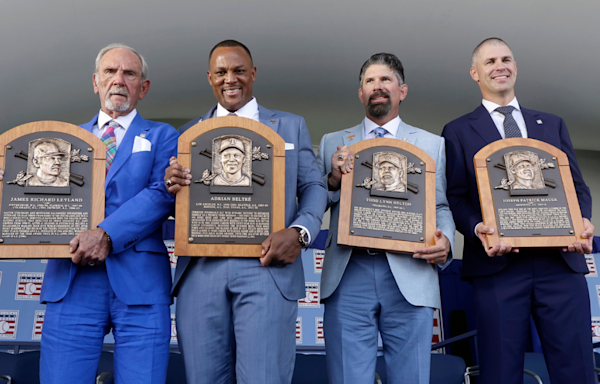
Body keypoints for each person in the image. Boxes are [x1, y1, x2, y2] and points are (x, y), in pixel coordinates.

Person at [164, 39, 327, 384]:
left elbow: (314, 188)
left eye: (239, 71)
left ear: (253, 74)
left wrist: (300, 233)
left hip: (267, 268)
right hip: (201, 272)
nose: (230, 79)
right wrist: (170, 188)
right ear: (209, 77)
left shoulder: (290, 126)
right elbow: (174, 206)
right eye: (221, 72)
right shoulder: (186, 135)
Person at [442, 37, 596, 384]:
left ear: (515, 67)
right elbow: (455, 195)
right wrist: (478, 227)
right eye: (490, 61)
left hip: (559, 262)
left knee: (578, 370)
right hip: (499, 268)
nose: (500, 66)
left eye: (506, 59)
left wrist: (582, 220)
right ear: (475, 73)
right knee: (500, 371)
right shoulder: (457, 130)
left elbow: (577, 187)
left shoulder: (552, 124)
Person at [39, 43, 179, 384]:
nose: (119, 79)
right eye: (110, 72)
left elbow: (162, 195)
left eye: (129, 73)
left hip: (140, 282)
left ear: (143, 87)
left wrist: (105, 234)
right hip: (72, 280)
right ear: (95, 82)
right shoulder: (61, 142)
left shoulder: (165, 136)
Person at [316, 52, 455, 384]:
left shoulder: (432, 145)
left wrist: (446, 239)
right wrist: (333, 178)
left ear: (402, 91)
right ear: (361, 94)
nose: (377, 87)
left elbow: (441, 207)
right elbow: (313, 203)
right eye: (369, 81)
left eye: (385, 80)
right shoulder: (332, 143)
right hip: (349, 274)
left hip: (411, 273)